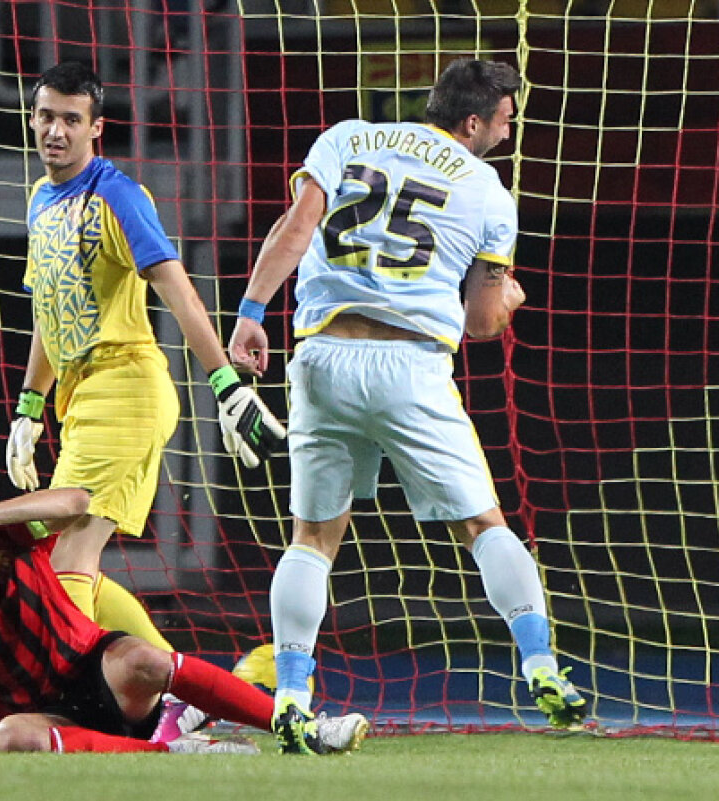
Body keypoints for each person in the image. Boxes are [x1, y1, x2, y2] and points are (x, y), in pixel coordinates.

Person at [227, 58, 587, 752]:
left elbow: (296, 227)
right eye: (505, 120)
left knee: (312, 539)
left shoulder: (347, 137)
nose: (508, 134)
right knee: (483, 525)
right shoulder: (487, 190)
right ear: (473, 121)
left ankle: (293, 695)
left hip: (323, 358)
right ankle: (541, 663)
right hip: (411, 366)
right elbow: (481, 321)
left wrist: (250, 313)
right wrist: (510, 300)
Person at [2, 61, 285, 670]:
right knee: (62, 556)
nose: (56, 131)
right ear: (32, 119)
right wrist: (29, 406)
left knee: (65, 558)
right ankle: (190, 694)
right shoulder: (40, 199)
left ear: (96, 128)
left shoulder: (119, 195)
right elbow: (51, 310)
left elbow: (176, 288)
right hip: (82, 398)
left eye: (71, 120)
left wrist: (226, 385)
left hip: (125, 391)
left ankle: (71, 701)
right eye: (46, 116)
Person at [0, 472, 368, 756]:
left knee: (145, 657)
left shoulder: (10, 534)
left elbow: (79, 500)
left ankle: (297, 728)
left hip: (93, 671)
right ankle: (174, 750)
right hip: (43, 719)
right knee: (8, 738)